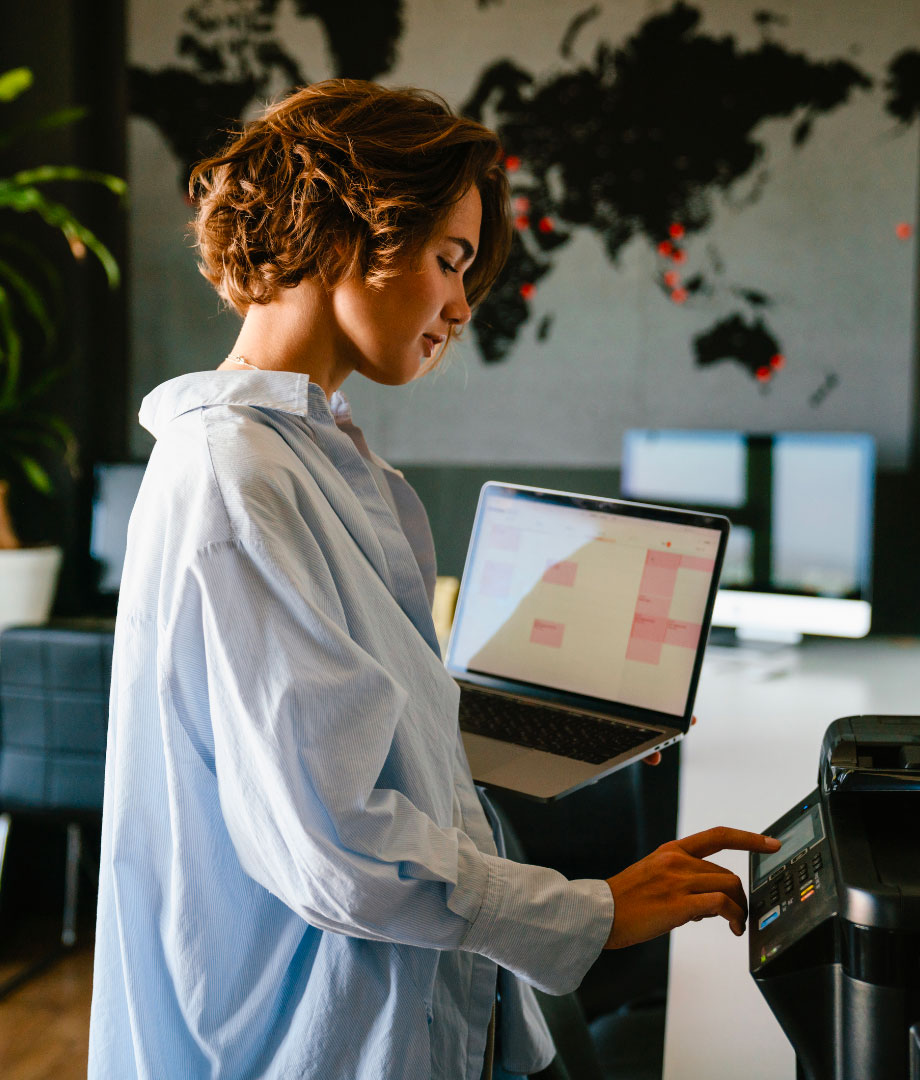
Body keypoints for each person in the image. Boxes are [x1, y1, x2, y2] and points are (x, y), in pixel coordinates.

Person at [87, 80, 780, 1080]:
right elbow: (338, 847)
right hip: (331, 1042)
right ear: (340, 231)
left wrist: (545, 738)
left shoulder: (319, 462)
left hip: (431, 1012)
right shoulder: (236, 483)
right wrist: (596, 912)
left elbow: (348, 736)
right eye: (449, 261)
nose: (461, 305)